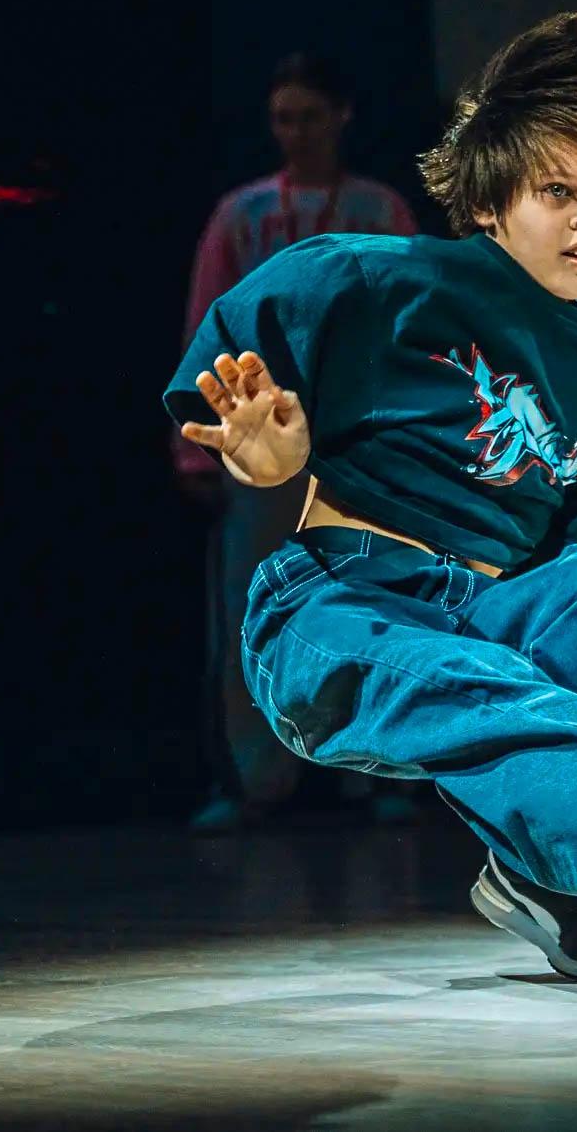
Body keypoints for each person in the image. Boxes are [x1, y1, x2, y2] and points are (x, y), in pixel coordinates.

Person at [164, 12, 577, 998]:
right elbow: (228, 388)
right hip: (338, 605)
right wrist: (274, 460)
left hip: (490, 617)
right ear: (488, 198)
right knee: (457, 669)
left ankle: (555, 882)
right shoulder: (371, 278)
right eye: (558, 192)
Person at [178, 53, 418, 832]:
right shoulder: (241, 214)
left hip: (358, 447)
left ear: (342, 116)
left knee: (371, 602)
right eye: (284, 118)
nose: (296, 132)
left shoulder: (378, 210)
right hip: (258, 444)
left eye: (310, 116)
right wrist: (193, 447)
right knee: (251, 607)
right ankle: (256, 779)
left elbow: (418, 325)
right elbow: (207, 324)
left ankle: (375, 774)